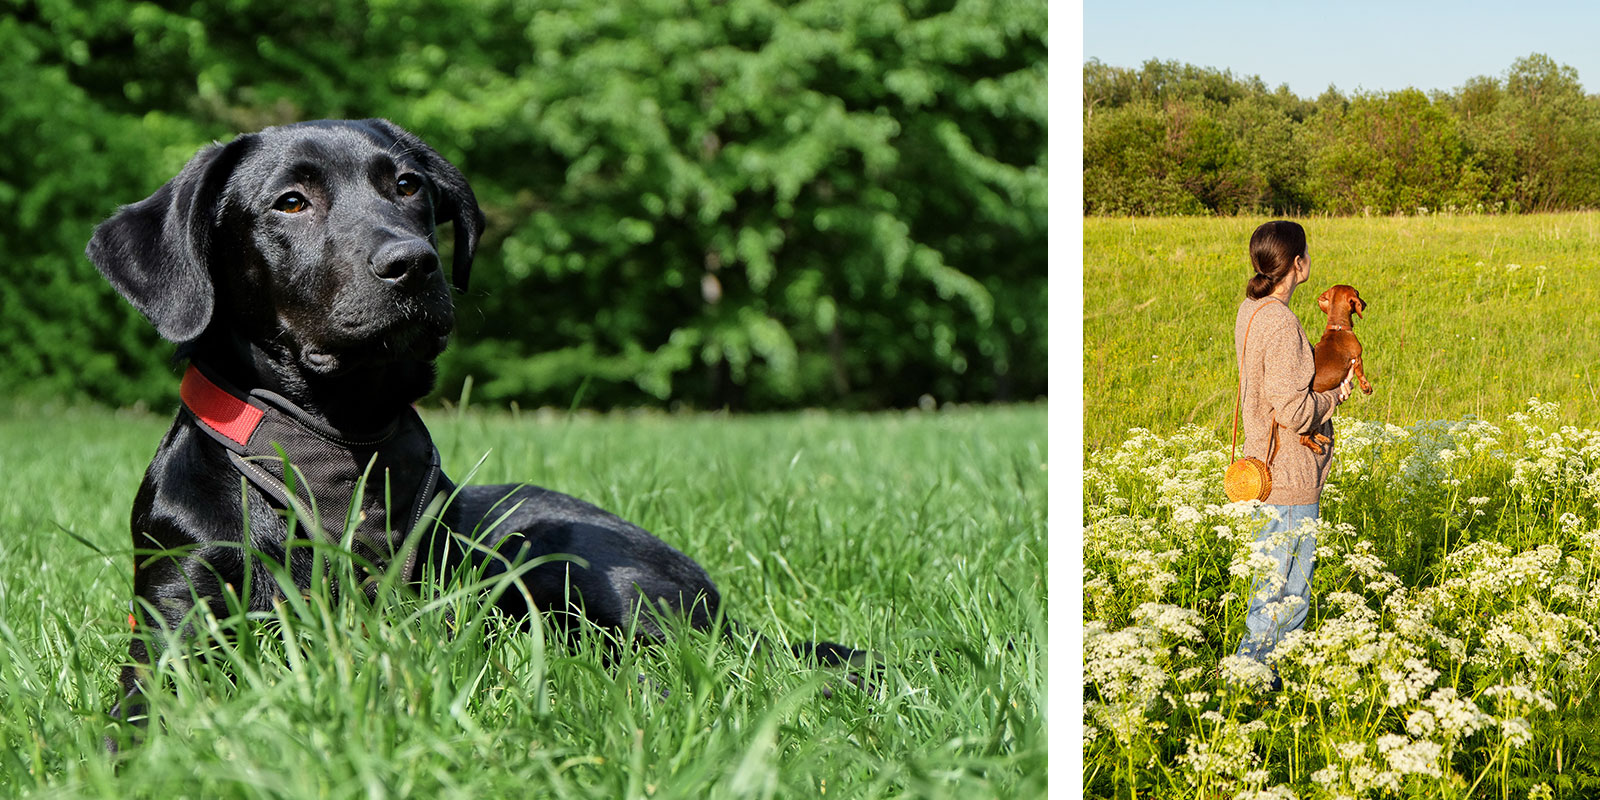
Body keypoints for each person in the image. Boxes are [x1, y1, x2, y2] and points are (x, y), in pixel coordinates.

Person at [1232, 220, 1354, 686]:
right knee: (1285, 598)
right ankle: (1250, 696)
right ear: (1297, 265)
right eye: (1308, 255)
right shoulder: (1282, 323)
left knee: (1270, 589)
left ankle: (1258, 691)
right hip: (1288, 477)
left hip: (1261, 466)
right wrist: (1336, 395)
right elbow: (1295, 409)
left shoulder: (1252, 309)